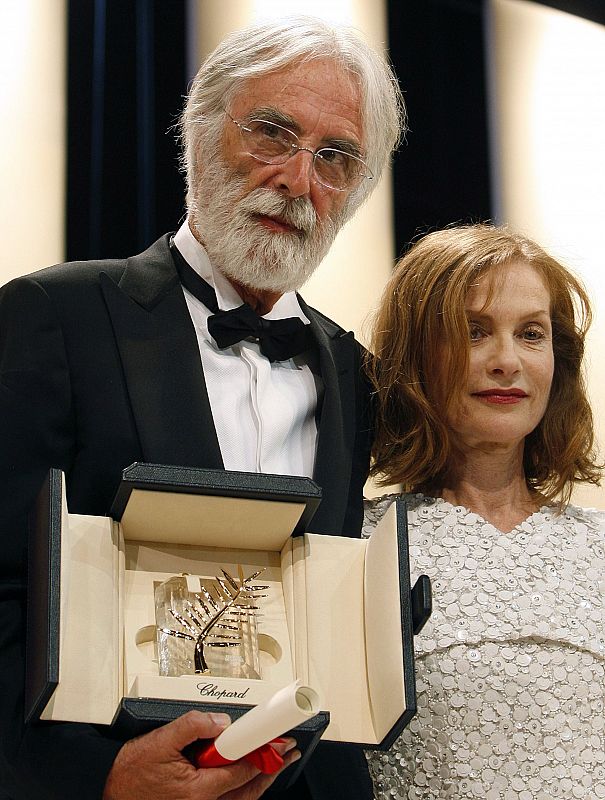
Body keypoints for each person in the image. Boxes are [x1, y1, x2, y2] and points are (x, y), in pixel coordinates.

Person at [0, 15, 404, 800]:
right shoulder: (56, 316)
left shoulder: (353, 373)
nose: (297, 180)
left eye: (334, 157)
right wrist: (96, 778)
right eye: (272, 133)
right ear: (197, 131)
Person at [362, 224, 604, 798]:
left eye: (531, 334)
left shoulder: (598, 545)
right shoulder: (359, 545)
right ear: (416, 356)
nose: (507, 361)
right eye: (474, 332)